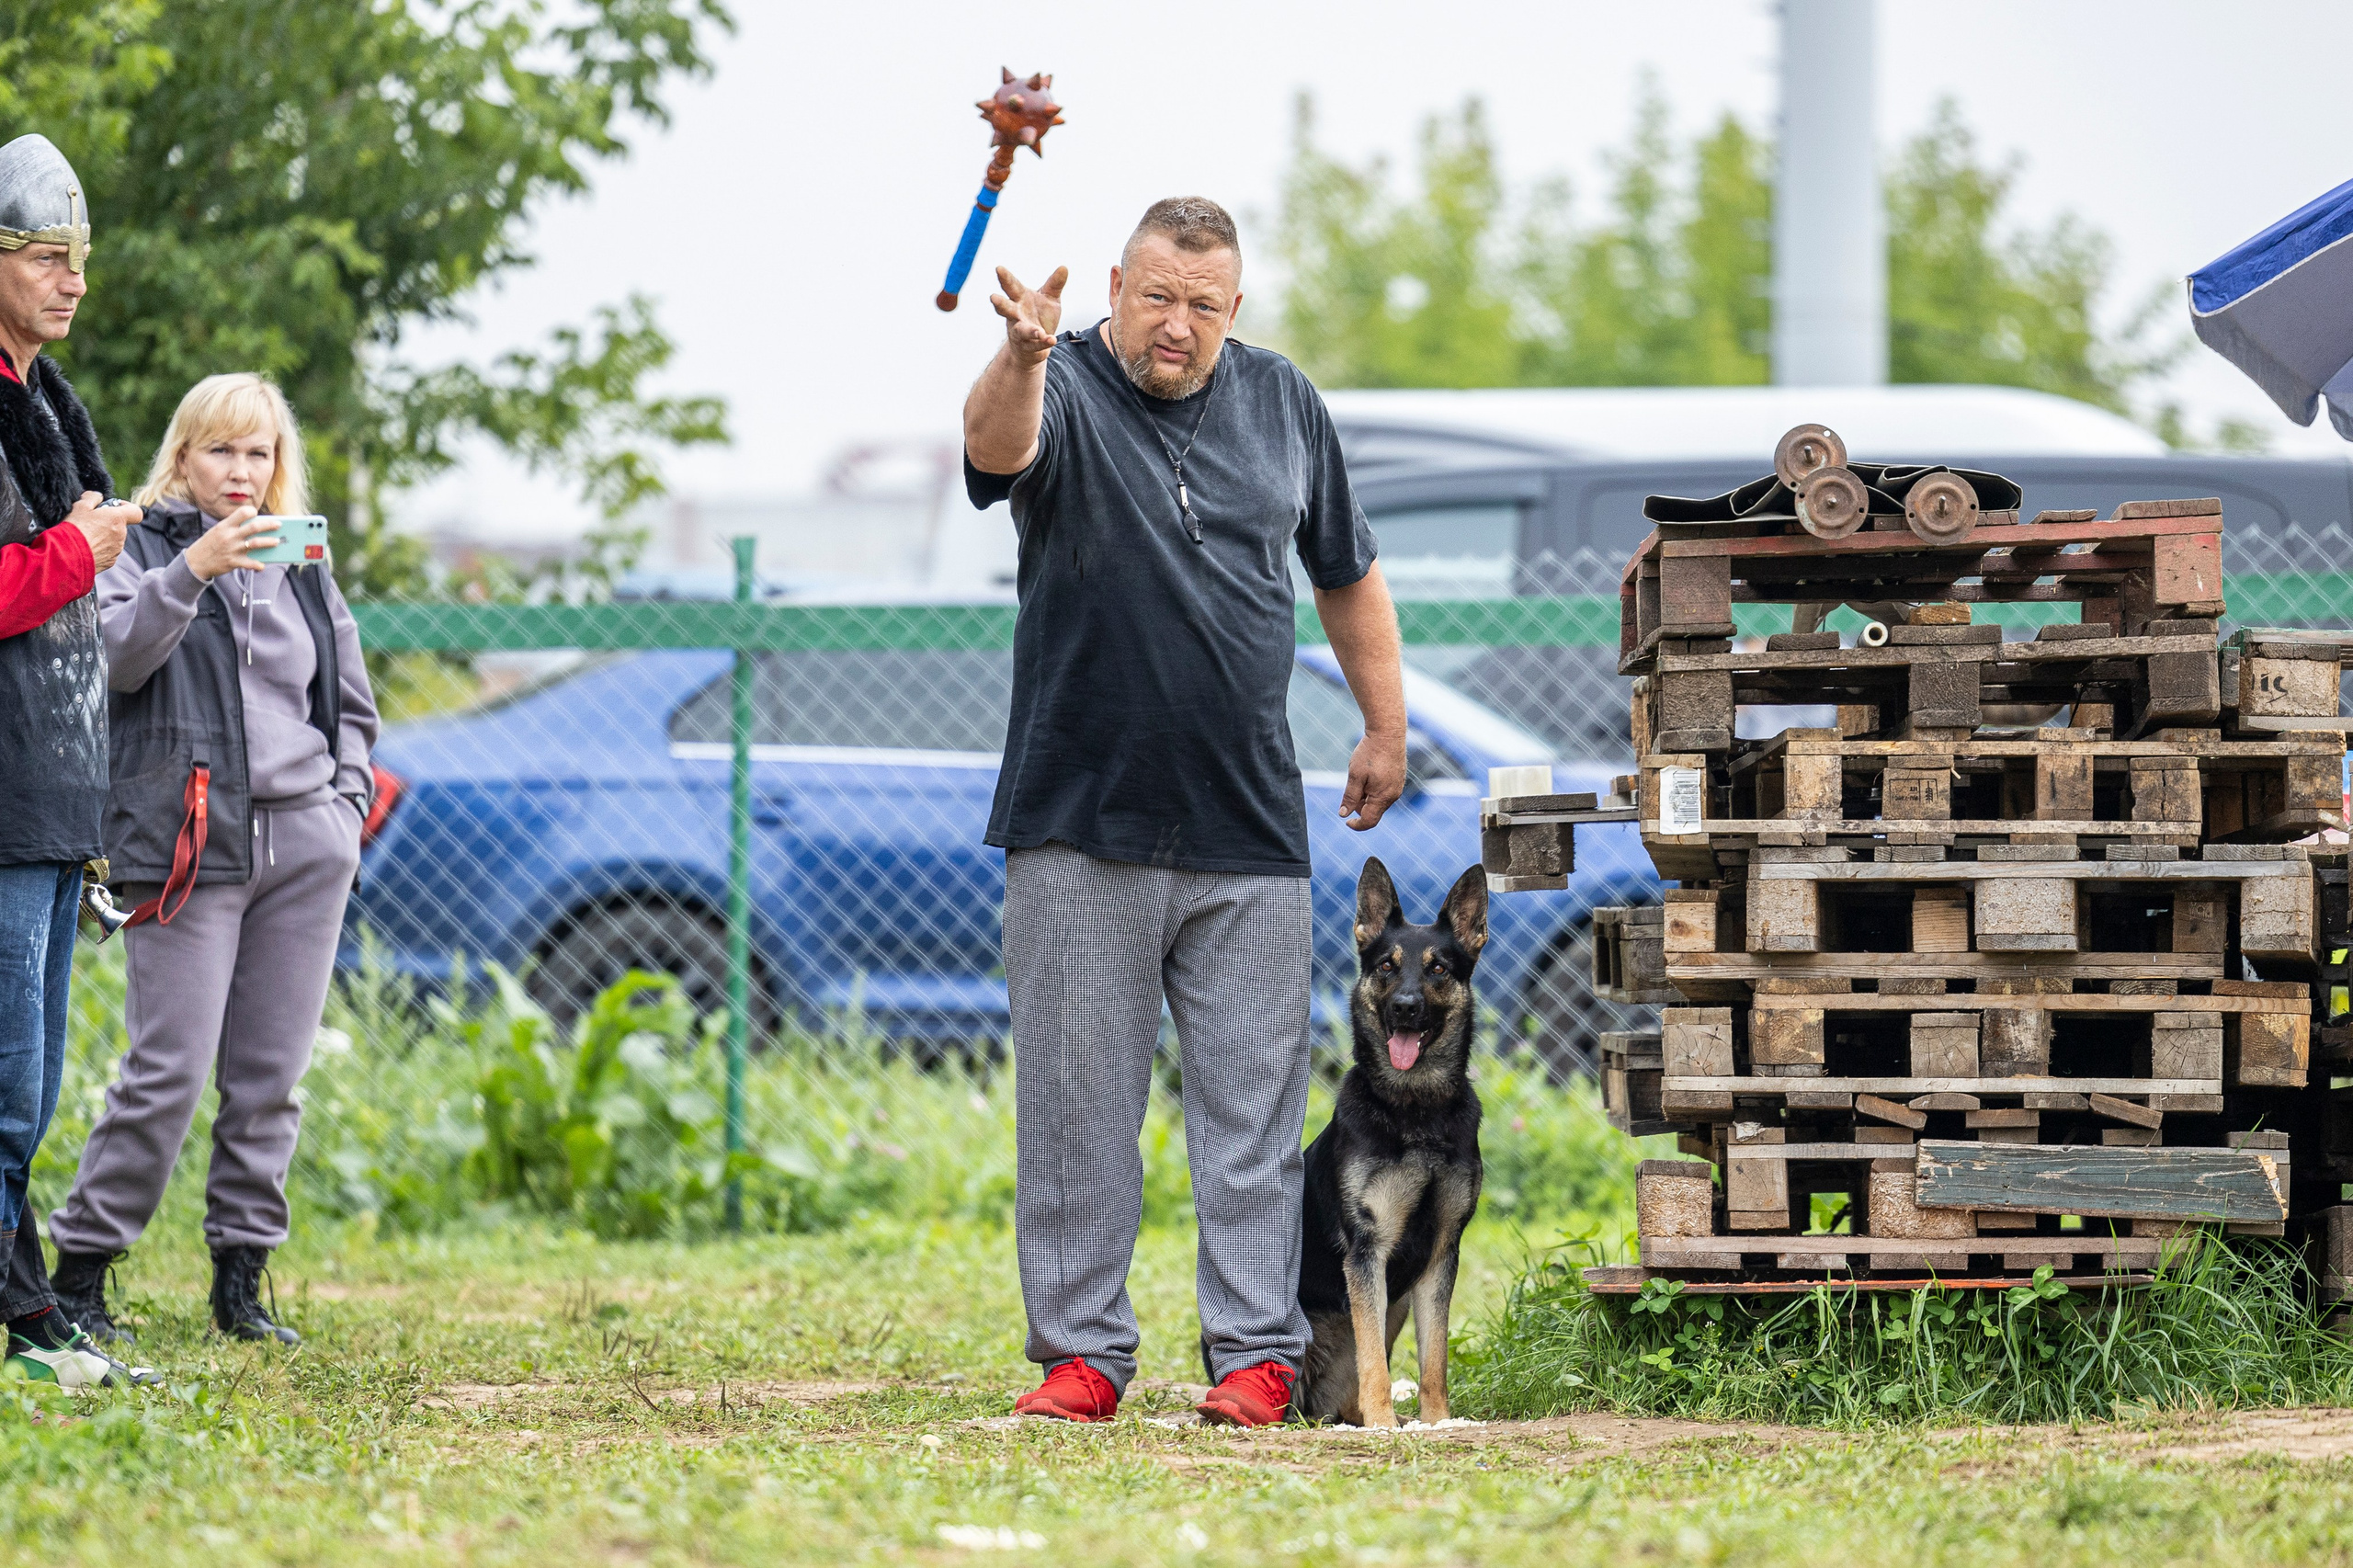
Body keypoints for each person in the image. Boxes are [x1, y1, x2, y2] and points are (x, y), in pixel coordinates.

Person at [962, 197, 1406, 1427]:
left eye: (1204, 305)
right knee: (1076, 1105)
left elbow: (1347, 568)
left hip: (1247, 822)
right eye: (1157, 296)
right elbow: (993, 458)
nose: (1178, 325)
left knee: (1252, 1112)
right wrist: (1022, 351)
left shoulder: (1283, 403)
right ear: (1116, 285)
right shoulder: (1059, 384)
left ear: (1235, 307)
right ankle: (1083, 1355)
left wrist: (1384, 723)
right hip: (1076, 813)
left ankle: (1256, 1355)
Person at [47, 373, 380, 1346]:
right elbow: (109, 661)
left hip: (305, 842)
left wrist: (345, 807)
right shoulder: (141, 546)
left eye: (260, 452)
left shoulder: (304, 560)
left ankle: (241, 1277)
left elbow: (350, 702)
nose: (242, 471)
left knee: (271, 1074)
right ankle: (80, 1272)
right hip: (187, 842)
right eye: (222, 451)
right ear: (183, 456)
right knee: (168, 1070)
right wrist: (190, 570)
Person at [0, 132, 154, 1388]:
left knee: (31, 1081)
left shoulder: (53, 402)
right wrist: (86, 550)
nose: (73, 282)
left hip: (54, 790)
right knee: (2, 1081)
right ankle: (24, 1315)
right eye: (50, 256)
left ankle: (24, 1299)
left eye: (78, 260)